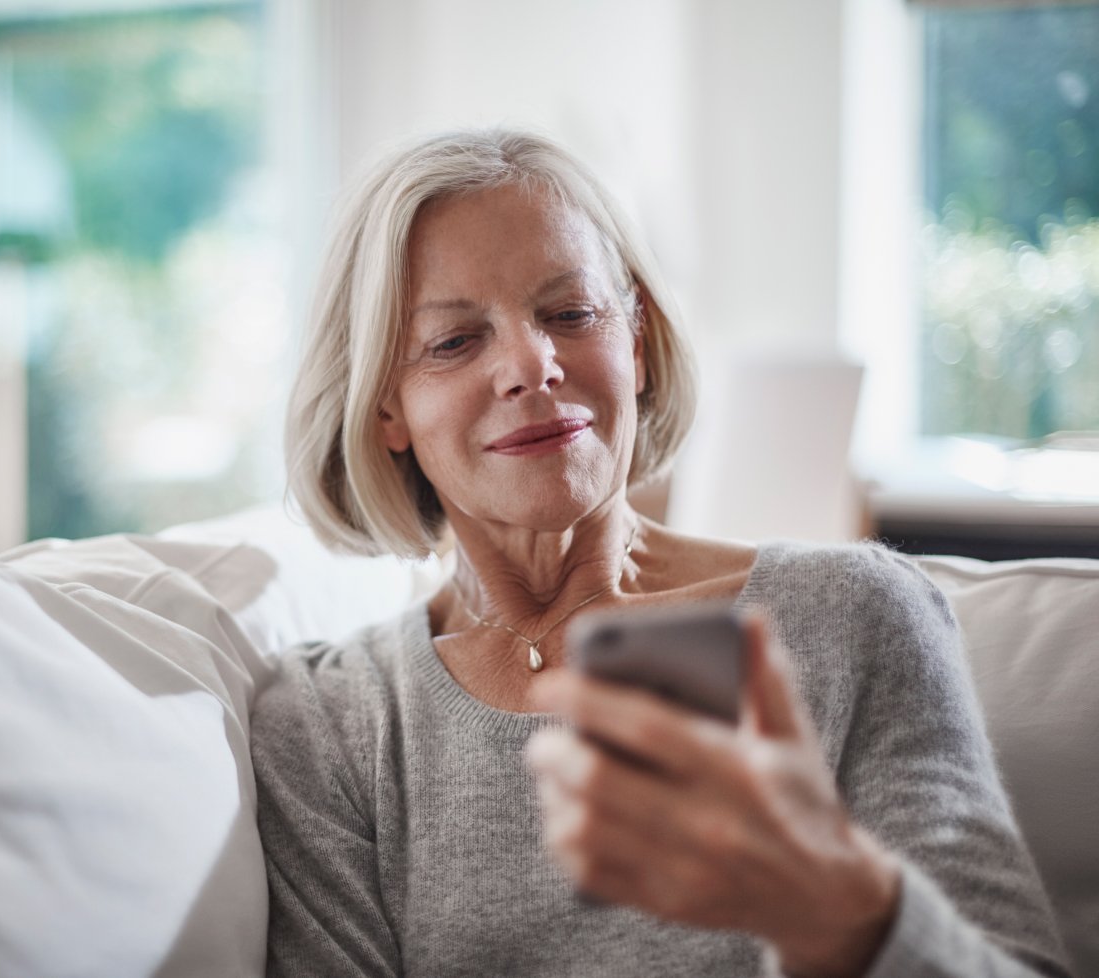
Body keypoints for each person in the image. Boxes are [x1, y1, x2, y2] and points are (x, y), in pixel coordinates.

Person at [251, 129, 1071, 977]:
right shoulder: (329, 725)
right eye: (455, 341)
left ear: (635, 344)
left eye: (570, 315)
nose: (533, 365)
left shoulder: (853, 614)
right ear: (385, 408)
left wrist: (839, 907)